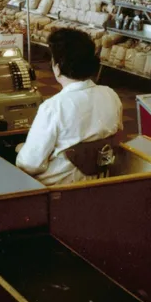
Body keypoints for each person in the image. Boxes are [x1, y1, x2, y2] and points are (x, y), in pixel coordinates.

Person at [16, 28, 123, 186]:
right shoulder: (111, 95)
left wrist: (21, 150)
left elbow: (29, 165)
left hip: (58, 187)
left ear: (57, 66)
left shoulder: (54, 107)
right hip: (101, 180)